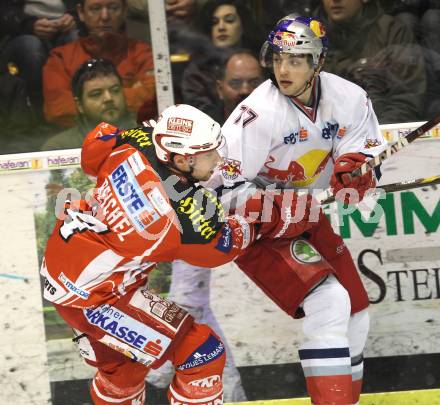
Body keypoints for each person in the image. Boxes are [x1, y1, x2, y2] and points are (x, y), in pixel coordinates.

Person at [40, 103, 318, 404]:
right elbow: (224, 247)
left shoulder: (139, 139)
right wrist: (281, 213)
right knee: (202, 354)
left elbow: (95, 149)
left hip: (64, 273)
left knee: (123, 370)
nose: (218, 159)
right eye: (209, 153)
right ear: (182, 158)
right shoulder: (188, 216)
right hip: (96, 296)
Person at [177, 15, 385, 404]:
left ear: (317, 63)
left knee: (356, 312)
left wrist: (355, 171)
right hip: (255, 230)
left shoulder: (350, 98)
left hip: (306, 215)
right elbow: (221, 189)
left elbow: (369, 153)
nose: (283, 69)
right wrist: (276, 208)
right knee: (330, 303)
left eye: (295, 60)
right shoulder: (258, 114)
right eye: (277, 58)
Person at [43, 0, 156, 128]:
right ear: (81, 12)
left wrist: (89, 101)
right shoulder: (61, 57)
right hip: (79, 142)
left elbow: (152, 102)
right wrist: (130, 94)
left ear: (124, 11)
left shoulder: (143, 52)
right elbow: (56, 109)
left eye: (113, 8)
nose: (104, 16)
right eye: (95, 9)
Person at [316, 0, 426, 124]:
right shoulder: (308, 37)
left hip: (383, 130)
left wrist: (377, 135)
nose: (335, 0)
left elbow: (406, 99)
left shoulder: (391, 31)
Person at [181, 0, 263, 116]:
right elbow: (201, 116)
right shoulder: (197, 71)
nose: (221, 27)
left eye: (229, 20)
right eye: (214, 22)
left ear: (243, 25)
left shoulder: (261, 61)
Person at [42, 58, 137, 150]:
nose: (109, 98)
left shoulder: (147, 136)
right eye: (96, 94)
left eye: (115, 91)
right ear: (80, 105)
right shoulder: (59, 148)